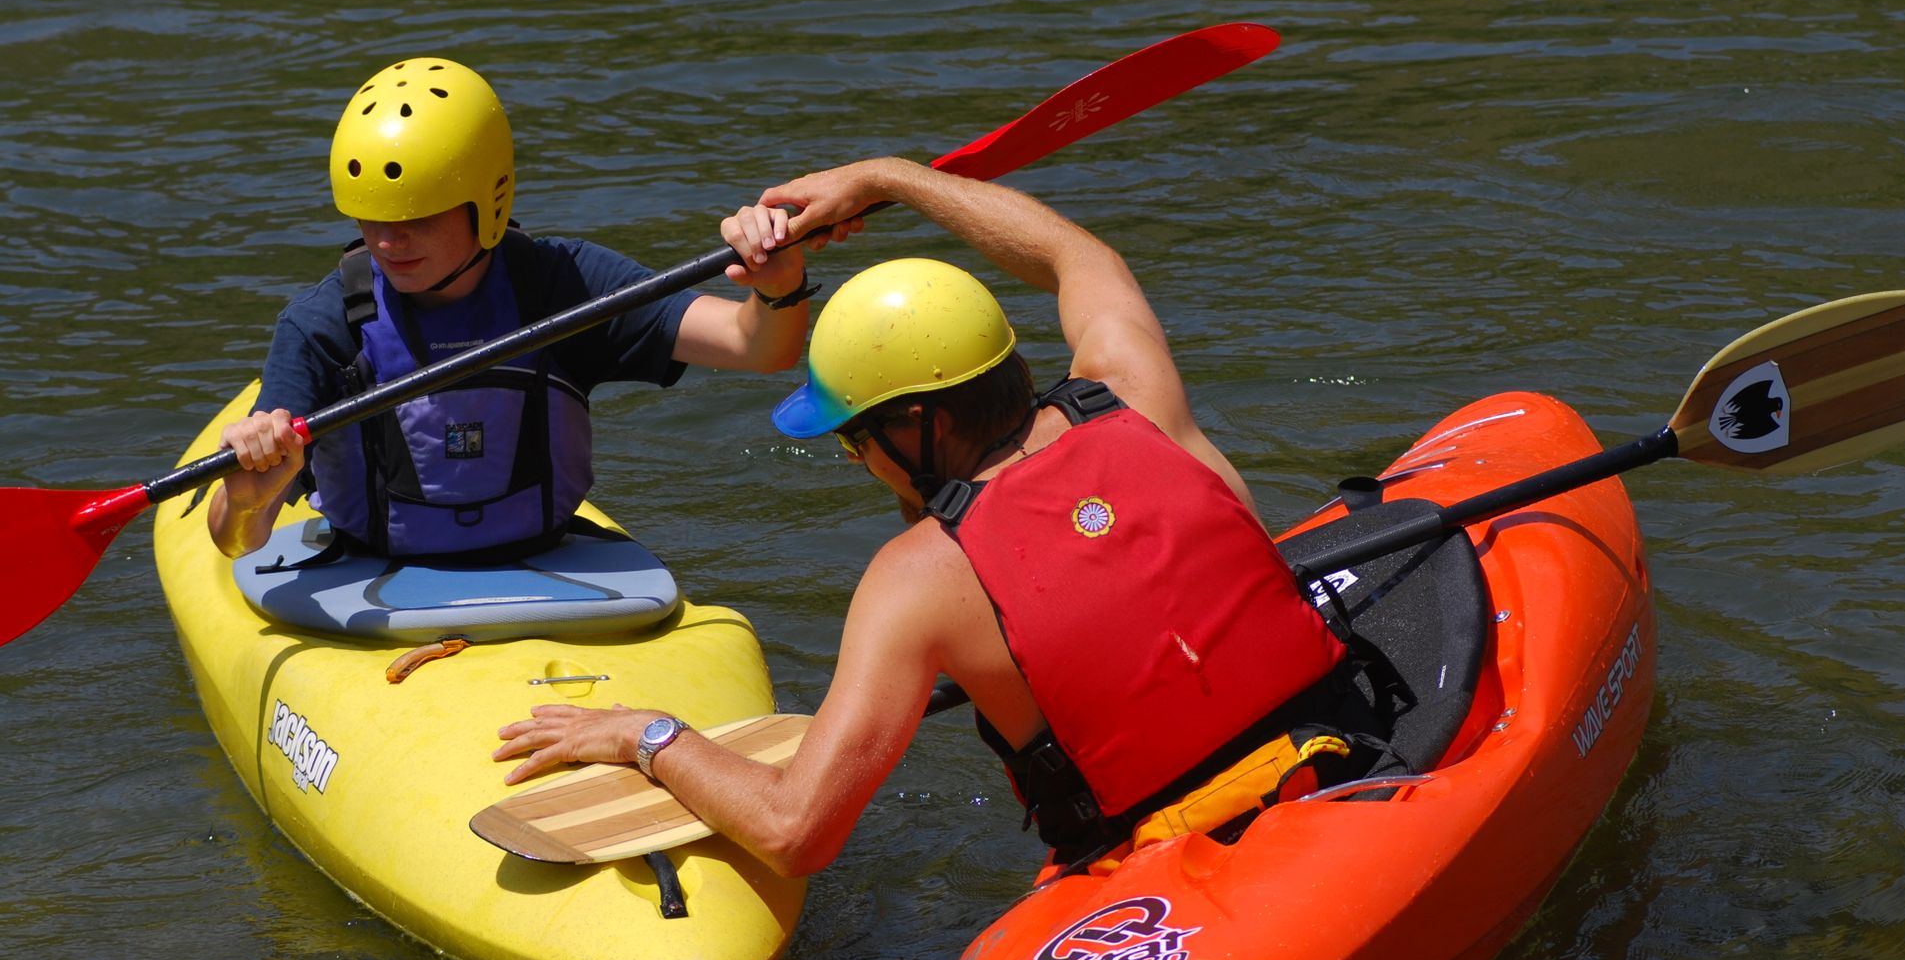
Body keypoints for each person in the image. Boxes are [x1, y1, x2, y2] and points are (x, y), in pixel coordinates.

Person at [493, 157, 1357, 875]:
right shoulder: (1137, 394)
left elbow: (796, 829)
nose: (854, 460)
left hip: (1165, 861)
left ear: (917, 426)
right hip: (1343, 758)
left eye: (854, 437)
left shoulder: (920, 576)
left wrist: (647, 733)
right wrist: (889, 178)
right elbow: (1068, 252)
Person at [208, 57, 850, 560]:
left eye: (417, 218)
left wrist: (777, 283)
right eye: (369, 217)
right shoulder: (322, 325)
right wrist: (250, 494)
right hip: (373, 573)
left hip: (548, 567)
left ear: (487, 201)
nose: (385, 241)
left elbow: (760, 347)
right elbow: (237, 541)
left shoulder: (562, 284)